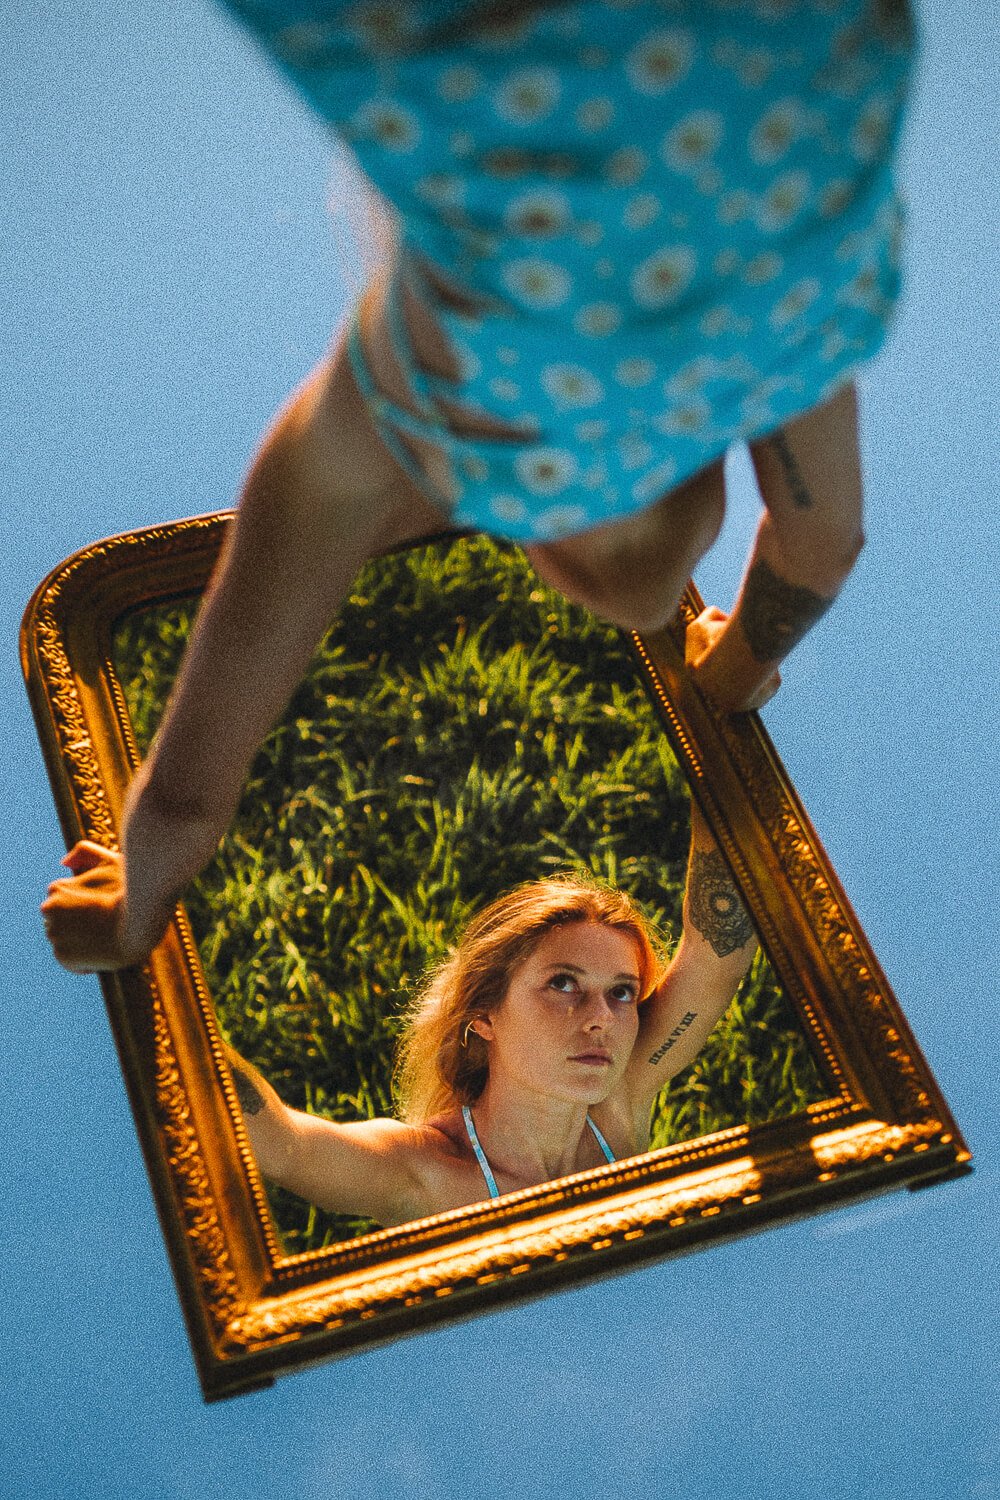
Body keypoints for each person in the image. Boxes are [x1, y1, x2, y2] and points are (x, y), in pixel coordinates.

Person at [44, 3, 911, 967]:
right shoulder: (417, 394)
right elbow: (187, 792)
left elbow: (821, 546)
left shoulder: (797, 322)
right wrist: (133, 905)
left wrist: (738, 668)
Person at [43, 801, 758, 1224]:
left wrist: (710, 727)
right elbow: (280, 1145)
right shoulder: (425, 1174)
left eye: (622, 991)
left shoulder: (618, 1103)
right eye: (564, 983)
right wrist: (151, 957)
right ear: (484, 1014)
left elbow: (718, 950)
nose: (600, 1017)